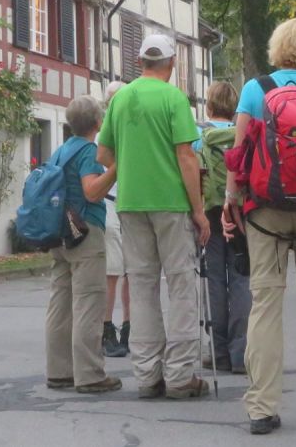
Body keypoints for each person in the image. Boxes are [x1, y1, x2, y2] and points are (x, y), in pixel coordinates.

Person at [222, 19, 296, 435]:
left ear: (277, 48)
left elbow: (238, 152)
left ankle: (262, 407)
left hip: (265, 211)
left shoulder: (255, 89)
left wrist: (231, 201)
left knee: (265, 306)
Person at [98, 33, 210, 399]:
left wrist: (131, 165)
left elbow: (103, 154)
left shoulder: (121, 98)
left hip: (131, 203)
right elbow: (186, 157)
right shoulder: (174, 98)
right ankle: (179, 374)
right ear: (172, 63)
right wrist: (198, 211)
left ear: (140, 62)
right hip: (171, 203)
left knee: (142, 286)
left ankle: (147, 374)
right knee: (181, 285)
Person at [44, 95, 123, 394]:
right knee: (89, 301)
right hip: (84, 231)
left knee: (60, 303)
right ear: (98, 122)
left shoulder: (60, 151)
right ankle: (89, 374)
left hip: (60, 232)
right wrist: (116, 168)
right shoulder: (89, 151)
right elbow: (91, 191)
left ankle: (59, 371)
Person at [196, 81, 247, 375]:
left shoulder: (199, 136)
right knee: (241, 277)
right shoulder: (242, 133)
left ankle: (218, 352)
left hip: (211, 212)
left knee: (213, 280)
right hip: (239, 211)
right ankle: (240, 353)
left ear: (209, 106)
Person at [101, 80, 131, 359]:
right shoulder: (103, 135)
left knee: (132, 272)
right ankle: (107, 327)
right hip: (111, 204)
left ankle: (129, 327)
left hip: (131, 205)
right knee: (112, 272)